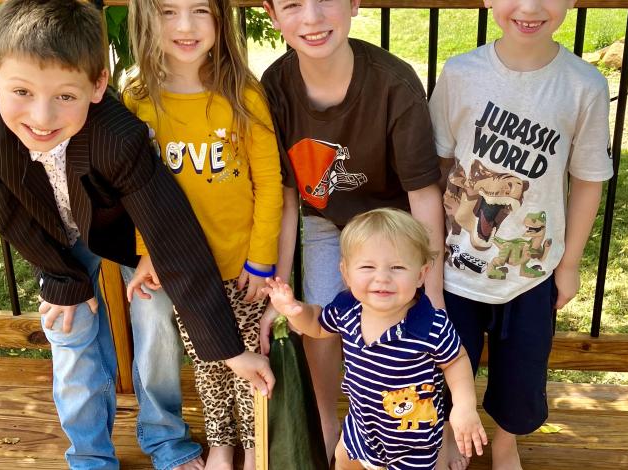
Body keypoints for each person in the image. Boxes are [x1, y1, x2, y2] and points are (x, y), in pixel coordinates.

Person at [0, 1, 274, 469]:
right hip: (50, 240)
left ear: (98, 86)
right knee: (69, 334)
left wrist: (231, 352)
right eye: (22, 91)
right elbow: (3, 206)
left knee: (154, 322)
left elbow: (173, 234)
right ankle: (90, 456)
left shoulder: (119, 134)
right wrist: (63, 279)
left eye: (65, 97)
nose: (42, 115)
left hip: (123, 229)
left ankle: (165, 439)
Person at [259, 0, 450, 463]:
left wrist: (432, 290)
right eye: (292, 4)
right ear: (270, 13)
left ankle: (431, 431)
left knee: (415, 329)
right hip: (326, 222)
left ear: (353, 3)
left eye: (326, 0)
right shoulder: (276, 85)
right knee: (320, 322)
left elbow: (424, 195)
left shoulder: (394, 84)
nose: (312, 17)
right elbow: (287, 198)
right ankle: (330, 422)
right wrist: (278, 294)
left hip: (394, 222)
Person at [428, 0, 614, 468]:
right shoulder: (461, 72)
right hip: (454, 268)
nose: (530, 7)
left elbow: (589, 180)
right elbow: (438, 165)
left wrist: (569, 264)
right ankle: (450, 435)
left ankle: (506, 442)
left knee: (522, 374)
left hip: (532, 273)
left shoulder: (584, 84)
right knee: (448, 364)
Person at [123, 0, 282, 468]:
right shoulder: (137, 98)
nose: (186, 27)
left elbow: (269, 182)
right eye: (168, 12)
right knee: (210, 364)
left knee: (249, 358)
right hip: (184, 269)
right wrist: (147, 252)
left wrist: (262, 259)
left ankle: (254, 447)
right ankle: (221, 444)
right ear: (146, 18)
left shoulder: (243, 95)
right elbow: (131, 188)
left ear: (220, 20)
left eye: (200, 11)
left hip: (241, 263)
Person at [266, 208, 487, 470]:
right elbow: (316, 324)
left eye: (397, 267)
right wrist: (296, 311)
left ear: (420, 275)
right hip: (361, 429)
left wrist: (463, 405)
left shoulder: (429, 326)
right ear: (345, 273)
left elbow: (456, 360)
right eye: (368, 267)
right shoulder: (347, 310)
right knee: (343, 459)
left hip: (413, 442)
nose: (382, 277)